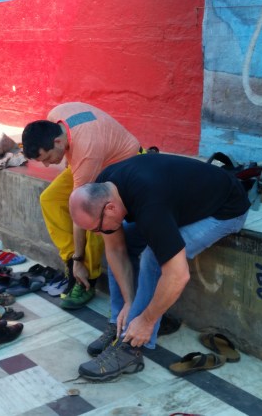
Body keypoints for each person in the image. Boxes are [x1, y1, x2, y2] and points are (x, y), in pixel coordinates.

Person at [68, 153, 250, 381]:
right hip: (178, 202)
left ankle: (130, 348)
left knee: (153, 258)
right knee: (125, 241)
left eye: (97, 229)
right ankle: (120, 324)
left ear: (111, 208)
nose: (98, 234)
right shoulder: (104, 186)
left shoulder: (150, 205)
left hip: (225, 211)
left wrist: (146, 320)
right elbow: (116, 250)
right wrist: (129, 301)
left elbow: (177, 275)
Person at [22, 102, 141, 310]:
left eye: (48, 158)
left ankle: (87, 278)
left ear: (58, 141)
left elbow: (80, 212)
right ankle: (72, 265)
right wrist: (74, 260)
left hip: (121, 165)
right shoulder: (56, 116)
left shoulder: (87, 152)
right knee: (50, 199)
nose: (48, 165)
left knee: (95, 219)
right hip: (94, 159)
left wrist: (80, 258)